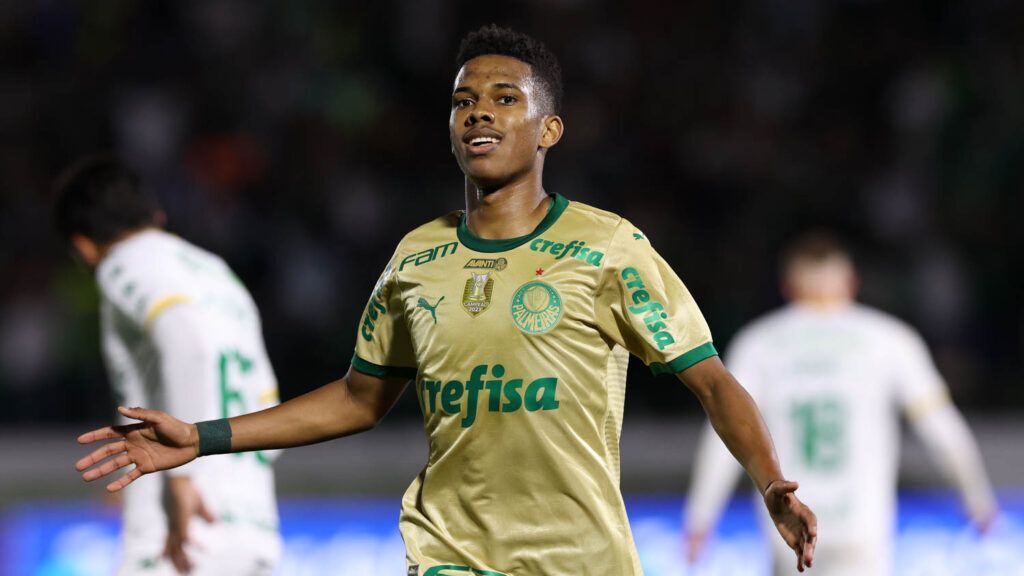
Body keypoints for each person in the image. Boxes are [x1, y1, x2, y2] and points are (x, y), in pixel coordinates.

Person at [75, 26, 817, 576]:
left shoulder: (608, 248)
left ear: (549, 129)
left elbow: (710, 380)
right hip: (449, 553)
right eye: (465, 101)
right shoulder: (416, 258)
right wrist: (200, 437)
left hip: (581, 557)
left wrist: (771, 485)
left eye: (504, 99)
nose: (479, 113)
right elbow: (359, 399)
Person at [683, 231, 998, 576]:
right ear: (851, 282)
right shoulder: (889, 339)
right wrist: (977, 498)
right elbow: (940, 426)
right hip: (862, 528)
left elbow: (727, 430)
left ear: (787, 287)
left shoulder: (759, 343)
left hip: (790, 528)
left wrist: (700, 517)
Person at [54, 156, 282, 575]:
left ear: (83, 246)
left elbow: (189, 344)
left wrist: (182, 476)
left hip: (180, 533)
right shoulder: (217, 273)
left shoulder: (125, 261)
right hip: (252, 524)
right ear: (156, 216)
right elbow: (265, 397)